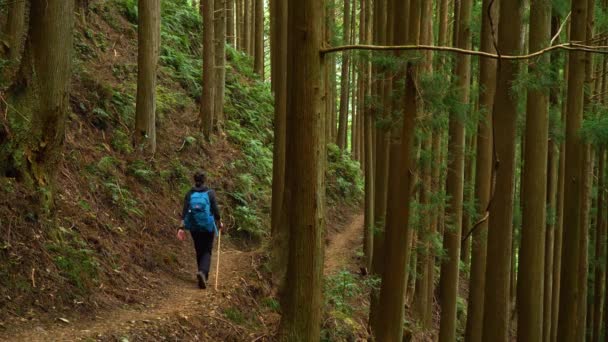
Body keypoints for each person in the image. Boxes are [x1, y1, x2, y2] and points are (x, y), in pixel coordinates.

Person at [178, 171, 224, 289]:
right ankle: (203, 273)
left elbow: (184, 211)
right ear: (204, 180)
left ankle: (201, 274)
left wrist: (181, 227)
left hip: (194, 226)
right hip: (208, 226)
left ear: (194, 180)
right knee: (207, 250)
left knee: (199, 249)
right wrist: (219, 222)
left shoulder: (189, 193)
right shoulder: (210, 193)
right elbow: (215, 209)